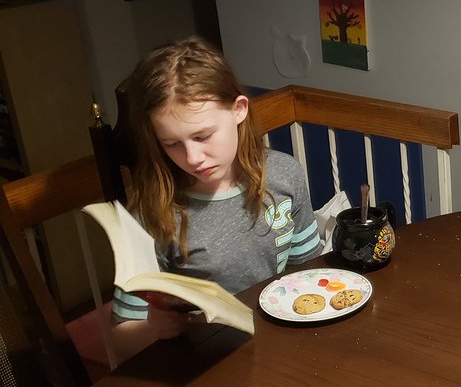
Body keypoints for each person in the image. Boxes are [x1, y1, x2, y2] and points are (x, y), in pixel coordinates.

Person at [109, 37, 322, 360]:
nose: (192, 158)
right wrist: (153, 328)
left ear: (239, 110)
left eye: (203, 136)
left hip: (281, 345)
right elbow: (121, 338)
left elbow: (307, 269)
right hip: (206, 360)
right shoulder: (150, 212)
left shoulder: (284, 175)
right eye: (171, 143)